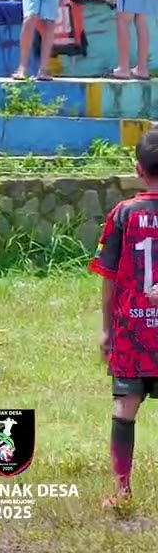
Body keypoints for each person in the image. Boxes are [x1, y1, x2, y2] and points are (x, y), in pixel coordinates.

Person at [90, 126, 158, 510]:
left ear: (137, 169)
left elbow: (109, 277)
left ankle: (122, 489)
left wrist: (105, 330)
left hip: (132, 330)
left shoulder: (123, 213)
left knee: (125, 408)